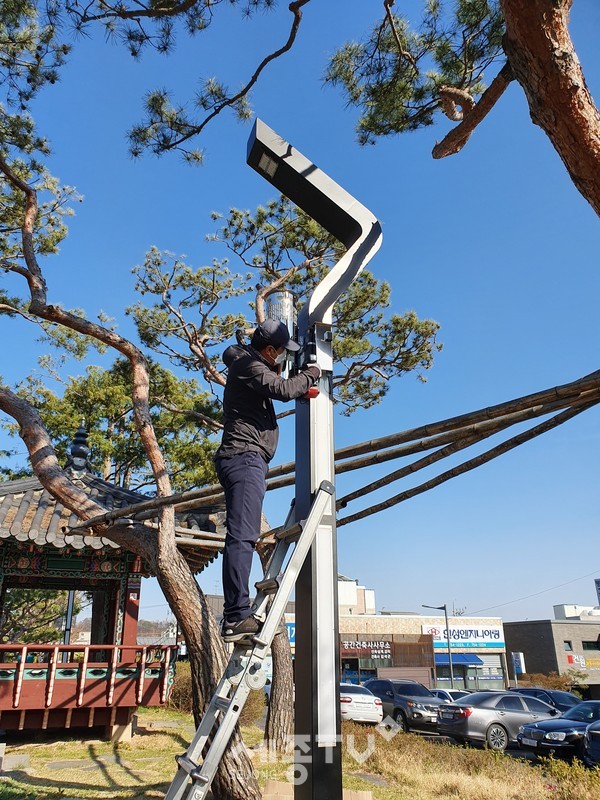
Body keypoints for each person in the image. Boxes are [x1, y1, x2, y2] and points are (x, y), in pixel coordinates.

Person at [215, 319, 321, 642]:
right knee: (243, 537)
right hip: (244, 457)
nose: (281, 361)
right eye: (280, 354)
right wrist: (312, 374)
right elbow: (285, 390)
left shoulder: (247, 362)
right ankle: (235, 615)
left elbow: (236, 357)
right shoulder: (250, 365)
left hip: (246, 457)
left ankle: (236, 612)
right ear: (271, 350)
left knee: (242, 536)